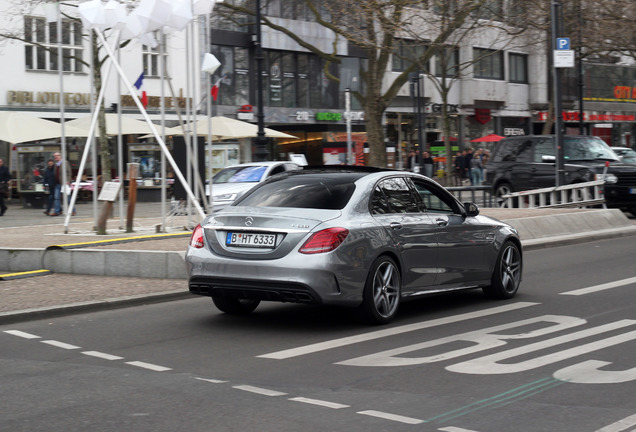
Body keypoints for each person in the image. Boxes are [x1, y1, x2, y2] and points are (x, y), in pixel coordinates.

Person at [52, 152, 75, 216]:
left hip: (64, 183)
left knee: (67, 198)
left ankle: (73, 210)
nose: (55, 157)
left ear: (60, 156)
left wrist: (68, 180)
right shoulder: (56, 164)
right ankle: (57, 211)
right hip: (57, 183)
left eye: (57, 156)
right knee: (57, 198)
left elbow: (69, 172)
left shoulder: (65, 163)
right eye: (54, 156)